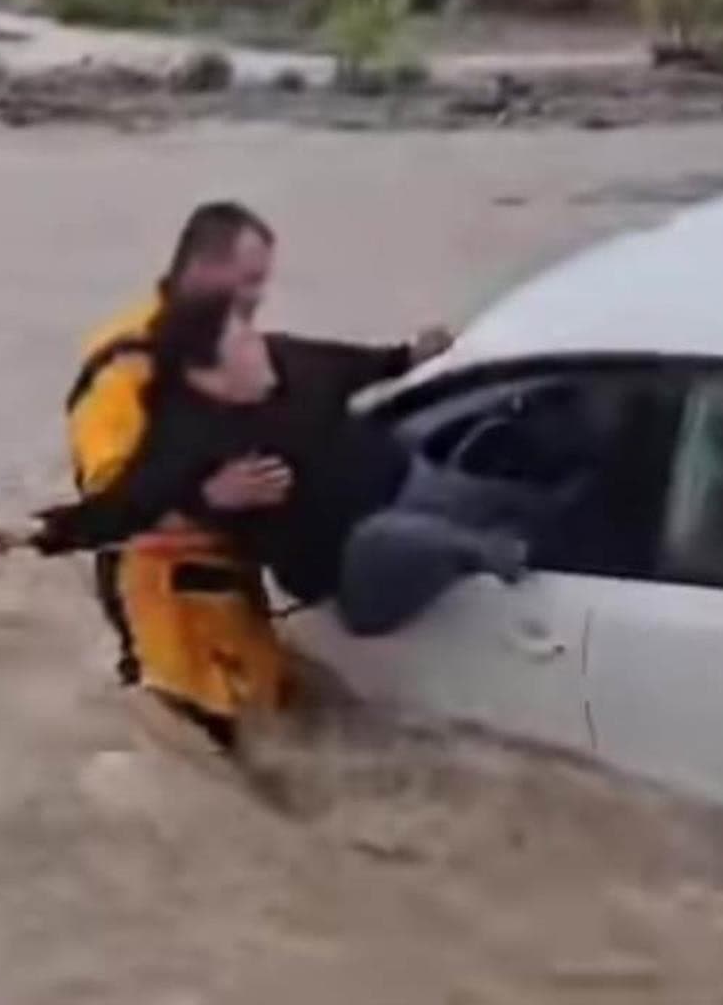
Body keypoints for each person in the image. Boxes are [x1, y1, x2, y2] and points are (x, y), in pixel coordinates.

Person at [64, 257, 454, 750]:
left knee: (275, 714)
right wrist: (209, 495)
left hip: (232, 572)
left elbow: (320, 365)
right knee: (186, 727)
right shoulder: (120, 385)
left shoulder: (235, 350)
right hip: (159, 584)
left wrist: (404, 359)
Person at [36, 292, 549, 662]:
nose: (255, 346)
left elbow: (365, 365)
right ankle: (482, 548)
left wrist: (413, 354)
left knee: (489, 489)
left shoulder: (292, 359)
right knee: (394, 537)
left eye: (247, 333)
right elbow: (118, 514)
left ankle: (535, 516)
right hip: (351, 569)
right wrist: (210, 496)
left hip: (404, 481)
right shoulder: (187, 439)